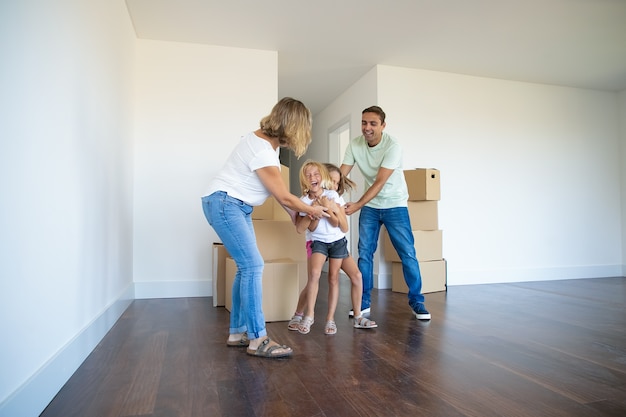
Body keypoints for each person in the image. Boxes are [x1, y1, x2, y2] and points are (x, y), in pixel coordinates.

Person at [201, 97, 329, 359]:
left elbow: (275, 192)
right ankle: (258, 338)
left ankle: (238, 333)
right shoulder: (261, 149)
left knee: (245, 267)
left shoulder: (266, 147)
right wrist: (312, 210)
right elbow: (283, 195)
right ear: (292, 126)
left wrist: (295, 215)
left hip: (233, 205)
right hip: (227, 204)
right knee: (253, 266)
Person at [340, 105, 431, 320]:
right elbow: (340, 175)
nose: (367, 128)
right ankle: (362, 303)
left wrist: (358, 204)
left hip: (395, 204)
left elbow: (380, 181)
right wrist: (325, 192)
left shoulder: (393, 146)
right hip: (371, 207)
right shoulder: (355, 145)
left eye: (373, 123)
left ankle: (417, 301)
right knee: (364, 254)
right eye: (364, 123)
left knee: (407, 253)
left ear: (383, 125)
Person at [288, 161, 377, 335]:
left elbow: (341, 226)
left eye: (337, 183)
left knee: (348, 276)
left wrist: (330, 209)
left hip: (337, 242)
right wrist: (314, 210)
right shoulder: (304, 201)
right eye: (309, 176)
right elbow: (305, 228)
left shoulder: (333, 196)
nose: (335, 186)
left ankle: (355, 317)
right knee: (313, 277)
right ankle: (301, 315)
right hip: (317, 242)